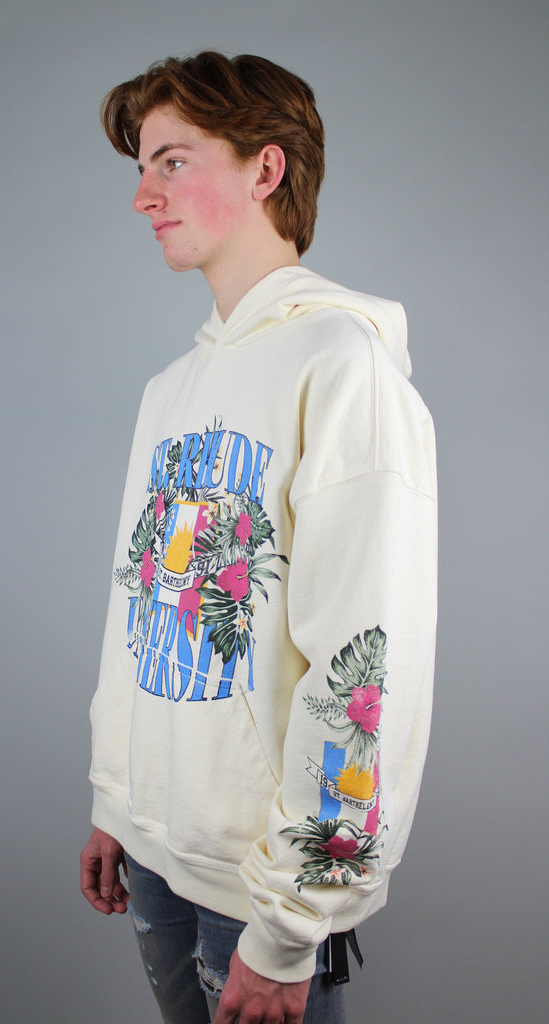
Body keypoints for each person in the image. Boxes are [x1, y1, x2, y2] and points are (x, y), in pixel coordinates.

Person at [80, 51, 437, 1024]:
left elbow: (364, 663)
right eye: (141, 169)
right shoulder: (168, 390)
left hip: (258, 888)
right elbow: (135, 609)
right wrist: (117, 802)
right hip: (155, 855)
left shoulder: (342, 365)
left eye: (171, 161)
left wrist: (292, 920)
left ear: (264, 168)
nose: (143, 196)